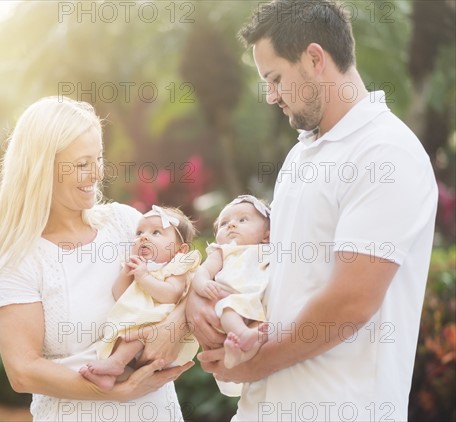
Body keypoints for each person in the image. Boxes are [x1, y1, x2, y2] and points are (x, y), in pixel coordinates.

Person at [187, 1, 438, 421]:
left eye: (275, 78)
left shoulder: (386, 153)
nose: (270, 95)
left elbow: (350, 302)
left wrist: (258, 362)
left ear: (315, 59)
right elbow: (272, 274)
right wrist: (202, 296)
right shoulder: (301, 156)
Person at [0, 96, 193, 421]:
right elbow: (22, 371)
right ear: (41, 169)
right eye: (82, 164)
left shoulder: (126, 224)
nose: (97, 173)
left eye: (98, 158)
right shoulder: (21, 259)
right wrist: (118, 392)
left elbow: (189, 279)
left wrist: (173, 327)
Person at [81, 205, 201, 390]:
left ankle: (116, 363)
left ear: (180, 249)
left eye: (156, 232)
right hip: (139, 328)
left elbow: (172, 294)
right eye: (139, 232)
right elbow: (119, 295)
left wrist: (144, 277)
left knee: (138, 331)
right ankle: (111, 376)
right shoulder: (140, 266)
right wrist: (126, 274)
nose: (144, 237)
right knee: (122, 334)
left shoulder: (176, 267)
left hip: (159, 329)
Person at [192, 195, 271, 370]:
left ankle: (238, 355)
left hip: (259, 304)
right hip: (231, 299)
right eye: (223, 223)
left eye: (243, 220)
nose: (231, 225)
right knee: (229, 308)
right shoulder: (223, 251)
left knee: (262, 329)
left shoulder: (270, 250)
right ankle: (242, 335)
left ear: (267, 235)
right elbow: (202, 270)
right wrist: (203, 284)